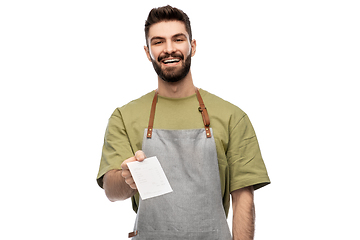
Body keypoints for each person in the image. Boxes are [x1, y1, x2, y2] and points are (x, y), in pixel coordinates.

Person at [96, 5, 270, 240]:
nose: (169, 49)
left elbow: (243, 198)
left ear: (193, 46)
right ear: (148, 52)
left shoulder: (231, 117)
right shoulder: (125, 116)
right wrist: (128, 177)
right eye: (158, 42)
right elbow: (112, 191)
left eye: (178, 39)